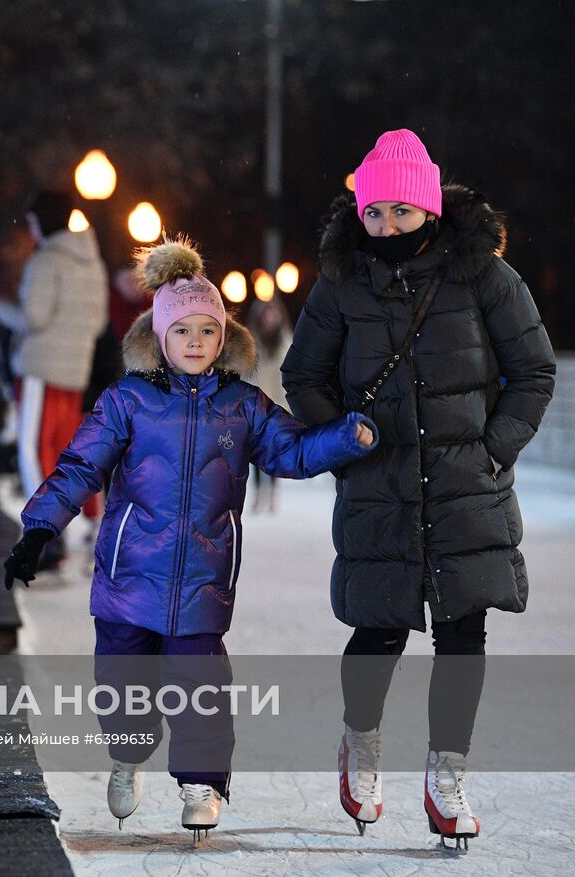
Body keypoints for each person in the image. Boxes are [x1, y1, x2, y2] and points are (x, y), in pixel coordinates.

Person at [2, 237, 377, 840]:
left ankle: (202, 782)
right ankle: (128, 756)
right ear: (160, 337)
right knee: (123, 690)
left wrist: (345, 437)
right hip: (128, 580)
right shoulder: (128, 401)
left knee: (202, 690)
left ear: (223, 337)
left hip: (203, 582)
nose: (196, 341)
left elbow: (292, 451)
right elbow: (80, 467)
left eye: (208, 330)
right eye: (183, 332)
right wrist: (39, 528)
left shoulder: (244, 407)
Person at [280, 129, 556, 849]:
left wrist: (493, 449)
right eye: (375, 215)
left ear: (429, 207)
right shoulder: (344, 284)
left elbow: (534, 370)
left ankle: (446, 777)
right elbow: (302, 376)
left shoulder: (485, 276)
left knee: (465, 630)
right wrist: (345, 446)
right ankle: (361, 744)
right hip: (383, 488)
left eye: (401, 212)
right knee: (379, 627)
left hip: (469, 489)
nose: (387, 228)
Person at [0, 191, 109, 564]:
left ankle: (47, 537)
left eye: (34, 221)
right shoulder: (93, 261)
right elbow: (100, 321)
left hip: (41, 369)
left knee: (33, 451)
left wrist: (2, 310)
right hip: (76, 370)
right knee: (69, 451)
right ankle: (93, 524)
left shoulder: (47, 260)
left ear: (43, 221)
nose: (32, 229)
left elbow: (34, 318)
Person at [243, 297, 294, 512]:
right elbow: (244, 375)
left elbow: (290, 376)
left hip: (277, 405)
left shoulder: (286, 342)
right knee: (255, 453)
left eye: (272, 314)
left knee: (273, 452)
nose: (269, 318)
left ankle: (272, 494)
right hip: (255, 405)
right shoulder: (250, 343)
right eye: (265, 314)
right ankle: (257, 495)